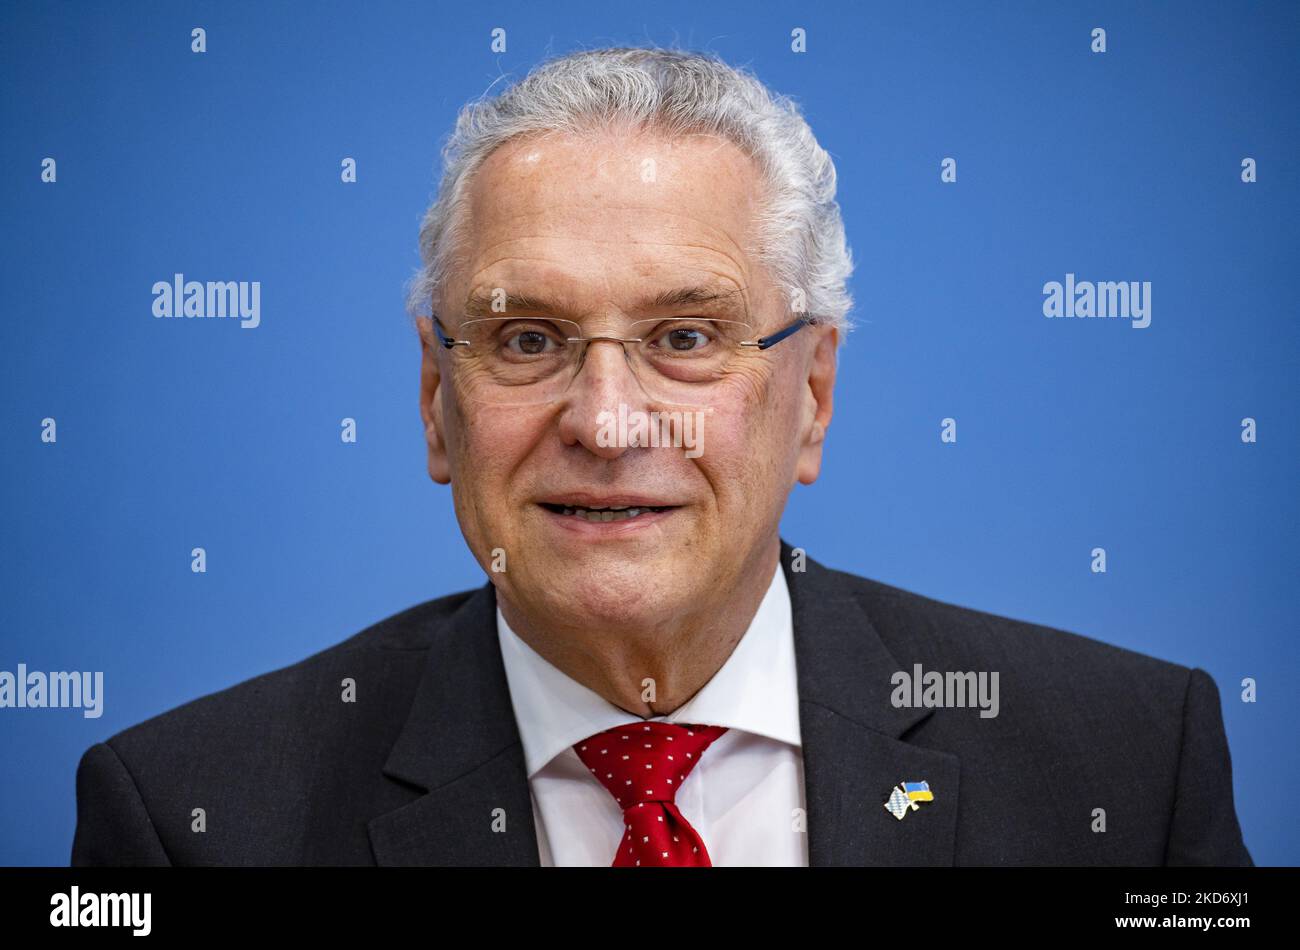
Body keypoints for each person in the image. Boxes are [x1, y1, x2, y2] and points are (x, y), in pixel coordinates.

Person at [72, 47, 1251, 866]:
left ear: (813, 396)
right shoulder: (191, 814)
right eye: (527, 338)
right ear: (437, 399)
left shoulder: (1128, 764)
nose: (608, 419)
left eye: (686, 337)